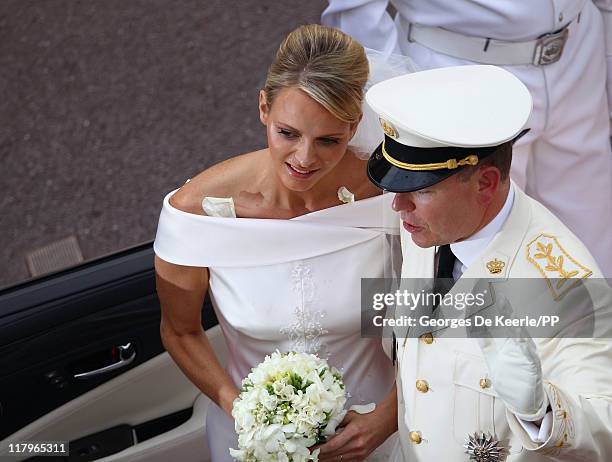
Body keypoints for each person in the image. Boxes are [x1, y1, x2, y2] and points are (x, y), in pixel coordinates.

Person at [153, 24, 400, 461]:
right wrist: (242, 410)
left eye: (329, 140)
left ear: (355, 126)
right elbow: (180, 329)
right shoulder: (196, 210)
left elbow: (439, 313)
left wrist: (389, 416)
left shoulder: (388, 193)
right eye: (288, 133)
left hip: (376, 434)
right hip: (253, 441)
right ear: (264, 108)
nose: (305, 159)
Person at [362, 64, 612, 461]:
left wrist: (542, 411)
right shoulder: (428, 227)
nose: (398, 204)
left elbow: (605, 422)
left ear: (485, 184)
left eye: (419, 190)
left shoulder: (563, 284)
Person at [321, 0, 612, 278]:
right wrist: (401, 102)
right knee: (468, 254)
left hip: (580, 56)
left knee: (594, 246)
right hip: (453, 71)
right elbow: (355, 10)